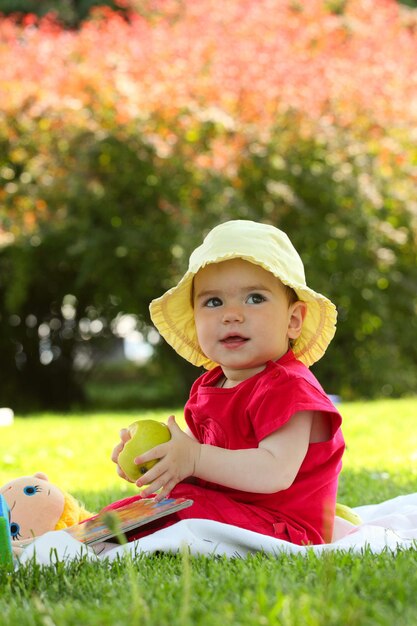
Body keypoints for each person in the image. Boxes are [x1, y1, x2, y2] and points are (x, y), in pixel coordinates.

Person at [112, 220, 345, 545]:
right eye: (214, 302)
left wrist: (194, 458)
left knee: (183, 510)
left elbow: (275, 471)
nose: (231, 314)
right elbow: (194, 466)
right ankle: (80, 537)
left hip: (283, 528)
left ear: (293, 320)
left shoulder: (290, 388)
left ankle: (100, 541)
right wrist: (158, 461)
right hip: (229, 512)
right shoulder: (209, 386)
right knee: (162, 503)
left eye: (254, 298)